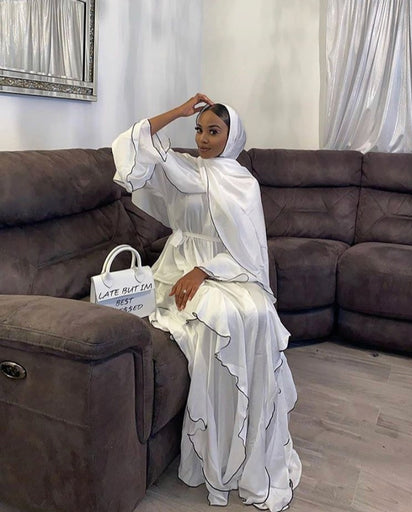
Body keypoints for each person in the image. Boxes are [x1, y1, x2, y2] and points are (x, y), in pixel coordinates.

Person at [112, 93, 301, 511]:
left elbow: (248, 251)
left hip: (226, 270)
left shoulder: (245, 184)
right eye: (198, 130)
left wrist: (206, 270)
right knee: (223, 318)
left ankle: (248, 439)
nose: (202, 139)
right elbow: (132, 141)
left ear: (233, 137)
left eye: (213, 131)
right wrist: (179, 112)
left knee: (256, 314)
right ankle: (215, 448)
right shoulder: (184, 170)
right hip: (177, 268)